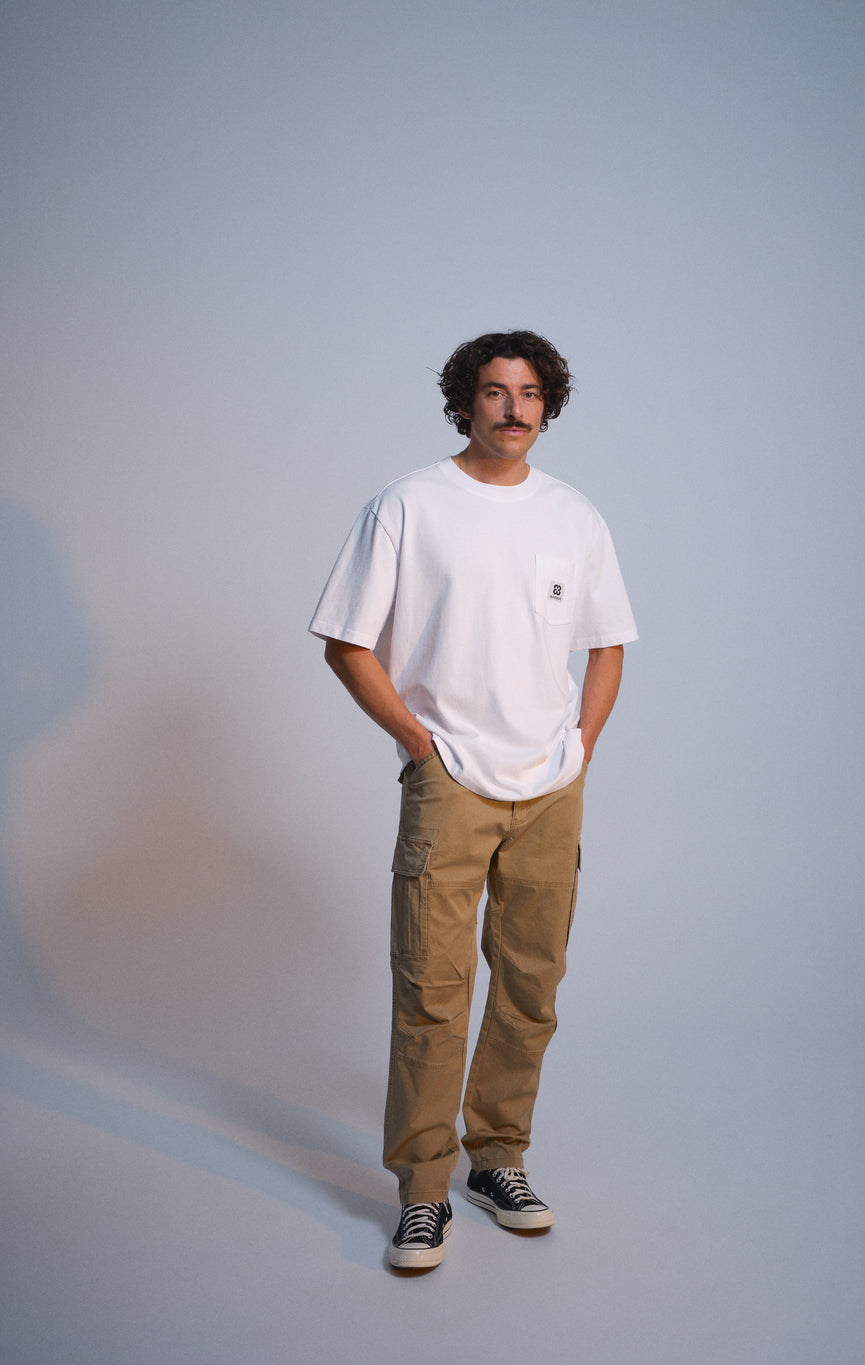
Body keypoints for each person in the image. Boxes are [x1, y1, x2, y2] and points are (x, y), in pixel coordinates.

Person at [309, 330, 637, 1269]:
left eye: (529, 392)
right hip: (451, 779)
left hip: (550, 784)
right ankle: (422, 1188)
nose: (512, 408)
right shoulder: (411, 505)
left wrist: (579, 745)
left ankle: (497, 1157)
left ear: (548, 403)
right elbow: (345, 640)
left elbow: (608, 642)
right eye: (494, 392)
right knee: (432, 989)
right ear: (465, 403)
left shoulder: (575, 515)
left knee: (532, 984)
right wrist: (419, 742)